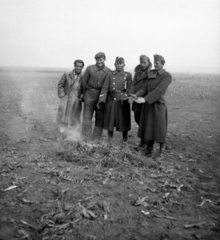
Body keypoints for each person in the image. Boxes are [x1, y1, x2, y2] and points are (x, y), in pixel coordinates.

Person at [131, 54, 172, 157]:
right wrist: (135, 96)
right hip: (148, 105)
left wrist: (145, 99)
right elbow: (144, 89)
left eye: (157, 63)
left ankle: (162, 149)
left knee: (159, 127)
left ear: (162, 64)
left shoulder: (166, 76)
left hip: (158, 105)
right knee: (148, 126)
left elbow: (159, 91)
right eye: (154, 63)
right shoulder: (151, 73)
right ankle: (149, 148)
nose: (154, 65)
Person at [98, 57, 132, 143]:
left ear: (124, 65)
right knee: (110, 120)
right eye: (117, 64)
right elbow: (105, 88)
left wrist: (126, 96)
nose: (119, 66)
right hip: (111, 100)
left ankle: (125, 139)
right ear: (114, 64)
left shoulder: (128, 75)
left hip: (122, 101)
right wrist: (102, 99)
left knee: (124, 120)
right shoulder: (110, 74)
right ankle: (110, 139)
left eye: (121, 64)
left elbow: (130, 88)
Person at [81, 52, 110, 140]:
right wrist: (83, 94)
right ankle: (86, 137)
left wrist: (103, 99)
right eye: (97, 60)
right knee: (87, 117)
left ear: (104, 59)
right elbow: (83, 82)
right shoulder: (90, 68)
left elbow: (108, 86)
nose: (99, 62)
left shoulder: (108, 71)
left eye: (101, 59)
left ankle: (96, 138)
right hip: (89, 95)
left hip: (101, 97)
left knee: (100, 119)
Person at [129, 55, 152, 149]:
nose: (142, 64)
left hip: (144, 99)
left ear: (148, 62)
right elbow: (133, 83)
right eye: (141, 62)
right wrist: (131, 94)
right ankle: (143, 141)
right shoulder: (138, 72)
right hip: (136, 98)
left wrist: (139, 95)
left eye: (144, 62)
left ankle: (145, 142)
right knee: (138, 119)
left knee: (145, 121)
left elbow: (146, 87)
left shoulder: (150, 72)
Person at [56, 59, 84, 127]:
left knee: (75, 116)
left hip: (76, 99)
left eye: (80, 66)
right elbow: (60, 84)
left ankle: (73, 133)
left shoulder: (84, 76)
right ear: (74, 66)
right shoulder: (67, 74)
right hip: (66, 98)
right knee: (63, 115)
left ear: (82, 67)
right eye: (77, 66)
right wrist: (62, 96)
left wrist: (81, 96)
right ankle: (63, 132)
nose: (78, 68)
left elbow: (85, 88)